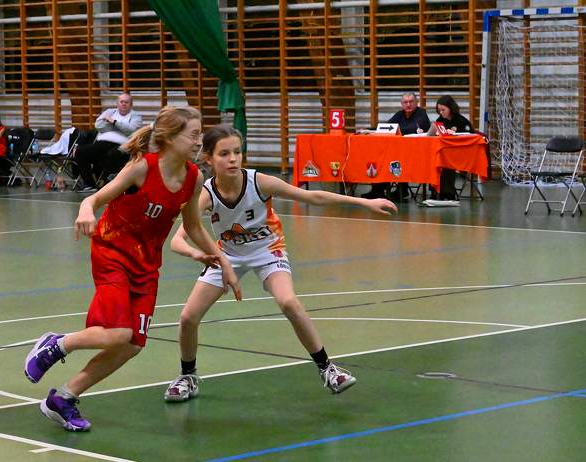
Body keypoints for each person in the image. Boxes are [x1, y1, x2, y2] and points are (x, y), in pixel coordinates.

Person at [23, 106, 242, 432]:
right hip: (112, 254)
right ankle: (57, 344)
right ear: (170, 138)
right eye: (194, 134)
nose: (199, 141)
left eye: (200, 134)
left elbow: (193, 226)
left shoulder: (194, 178)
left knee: (132, 345)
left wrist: (221, 259)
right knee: (119, 333)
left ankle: (64, 398)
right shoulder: (141, 168)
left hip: (146, 265)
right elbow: (93, 200)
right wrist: (85, 211)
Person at [163, 124, 397, 403]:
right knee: (188, 317)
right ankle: (187, 375)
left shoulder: (259, 182)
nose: (233, 159)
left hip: (267, 249)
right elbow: (177, 240)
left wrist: (363, 202)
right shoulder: (205, 194)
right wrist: (198, 254)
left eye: (237, 152)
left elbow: (312, 196)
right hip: (227, 255)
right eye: (224, 154)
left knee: (288, 301)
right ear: (209, 159)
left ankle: (328, 368)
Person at [363, 92, 431, 201]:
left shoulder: (421, 115)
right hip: (398, 151)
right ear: (402, 104)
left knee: (396, 159)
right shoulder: (400, 114)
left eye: (411, 102)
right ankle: (378, 190)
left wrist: (397, 129)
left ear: (417, 103)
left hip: (417, 154)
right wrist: (368, 130)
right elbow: (386, 127)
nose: (408, 104)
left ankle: (402, 189)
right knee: (380, 156)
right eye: (405, 102)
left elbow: (412, 129)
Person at [74, 93, 143, 190]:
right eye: (121, 102)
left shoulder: (136, 116)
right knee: (80, 152)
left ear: (131, 104)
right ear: (117, 103)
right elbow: (99, 126)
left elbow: (131, 130)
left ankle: (107, 185)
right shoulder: (110, 112)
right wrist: (119, 126)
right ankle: (89, 184)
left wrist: (114, 122)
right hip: (102, 144)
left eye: (126, 102)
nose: (123, 104)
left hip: (121, 147)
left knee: (113, 155)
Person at [433, 95, 475, 200]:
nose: (441, 112)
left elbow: (470, 136)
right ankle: (435, 190)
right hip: (445, 152)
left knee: (445, 162)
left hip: (460, 152)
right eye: (439, 110)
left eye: (443, 110)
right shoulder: (440, 120)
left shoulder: (462, 121)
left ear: (451, 108)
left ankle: (448, 193)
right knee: (434, 160)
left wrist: (456, 134)